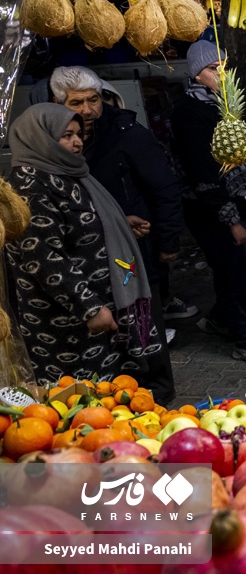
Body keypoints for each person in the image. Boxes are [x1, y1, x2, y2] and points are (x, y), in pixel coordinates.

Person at [6, 104, 163, 384]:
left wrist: (116, 223)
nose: (77, 142)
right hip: (64, 323)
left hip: (96, 311)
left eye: (79, 134)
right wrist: (89, 307)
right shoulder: (29, 186)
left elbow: (71, 223)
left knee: (110, 394)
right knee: (80, 404)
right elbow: (42, 255)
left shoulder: (66, 173)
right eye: (66, 135)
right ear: (40, 137)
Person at [50, 65, 180, 403]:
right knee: (113, 330)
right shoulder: (57, 143)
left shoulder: (127, 133)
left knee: (143, 319)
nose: (89, 110)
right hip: (92, 258)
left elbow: (165, 188)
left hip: (133, 251)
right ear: (57, 102)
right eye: (77, 102)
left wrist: (168, 242)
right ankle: (120, 394)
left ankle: (158, 394)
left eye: (94, 100)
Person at [170, 41, 246, 367]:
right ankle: (245, 341)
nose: (221, 73)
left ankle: (220, 317)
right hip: (215, 211)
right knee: (235, 274)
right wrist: (231, 221)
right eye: (213, 68)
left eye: (223, 66)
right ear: (196, 75)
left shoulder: (227, 102)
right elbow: (203, 173)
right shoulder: (189, 112)